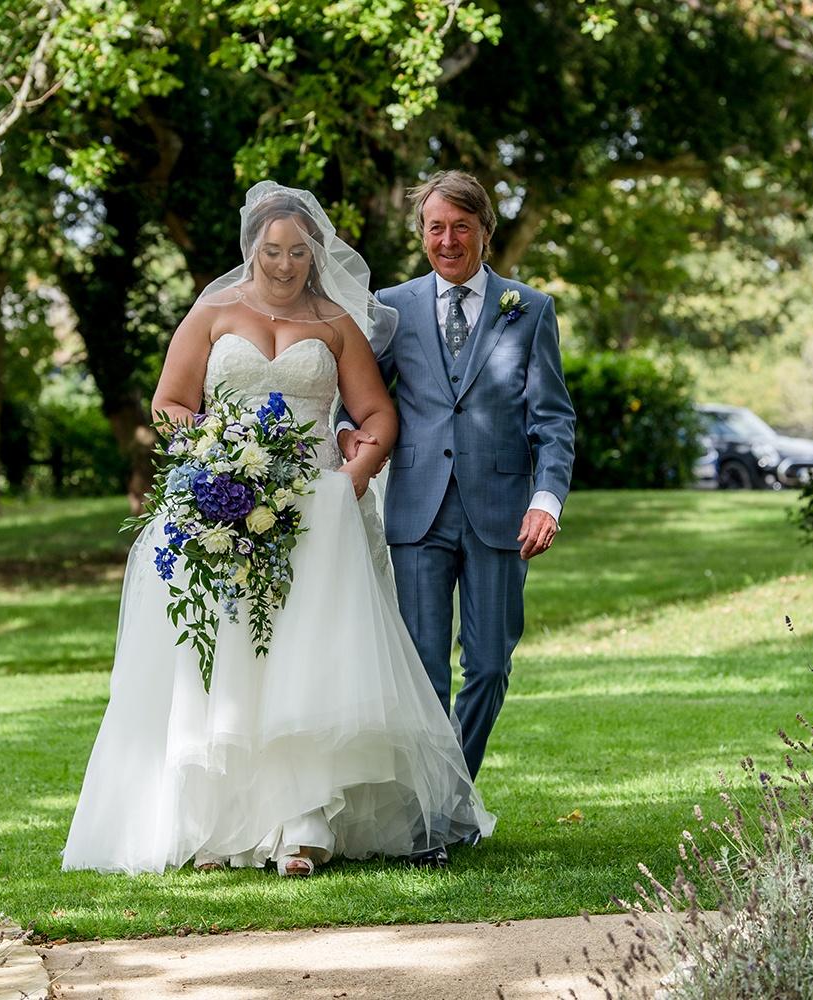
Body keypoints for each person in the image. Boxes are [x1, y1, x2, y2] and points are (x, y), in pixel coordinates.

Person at [63, 182, 493, 878]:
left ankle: (305, 822)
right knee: (229, 660)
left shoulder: (334, 324)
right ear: (252, 250)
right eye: (273, 251)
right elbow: (171, 402)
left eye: (298, 251)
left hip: (317, 513)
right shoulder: (212, 312)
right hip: (220, 506)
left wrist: (355, 474)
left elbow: (378, 414)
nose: (286, 264)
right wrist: (212, 454)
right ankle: (222, 826)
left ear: (314, 255)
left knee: (307, 661)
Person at [341, 170, 575, 865]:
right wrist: (350, 434)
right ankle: (428, 820)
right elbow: (360, 398)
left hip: (502, 512)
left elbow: (554, 420)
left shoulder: (527, 310)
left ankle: (448, 797)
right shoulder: (391, 308)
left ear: (484, 231)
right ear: (422, 234)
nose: (447, 240)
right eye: (435, 228)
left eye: (460, 227)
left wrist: (546, 498)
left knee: (491, 664)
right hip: (415, 511)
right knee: (421, 671)